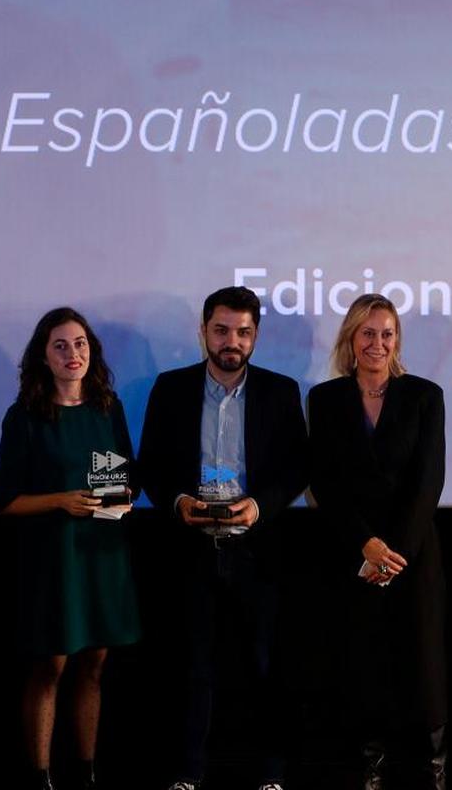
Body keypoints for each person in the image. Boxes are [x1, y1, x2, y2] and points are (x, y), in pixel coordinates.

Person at [139, 286, 308, 790]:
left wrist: (260, 505)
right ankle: (187, 773)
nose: (231, 341)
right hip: (191, 547)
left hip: (257, 550)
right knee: (192, 666)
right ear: (204, 332)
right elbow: (151, 463)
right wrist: (176, 503)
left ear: (255, 336)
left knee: (265, 665)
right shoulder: (170, 388)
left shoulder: (280, 391)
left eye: (242, 332)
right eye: (221, 330)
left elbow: (298, 466)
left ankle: (272, 775)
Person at [0, 307, 141, 790]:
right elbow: (5, 500)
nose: (72, 354)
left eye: (80, 343)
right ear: (43, 355)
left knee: (95, 665)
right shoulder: (26, 416)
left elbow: (119, 475)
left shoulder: (106, 407)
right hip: (54, 561)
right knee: (50, 667)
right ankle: (40, 776)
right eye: (60, 345)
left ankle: (87, 770)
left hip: (102, 554)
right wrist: (61, 501)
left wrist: (125, 498)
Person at [306, 294, 448, 790]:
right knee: (364, 657)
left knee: (421, 656)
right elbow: (322, 481)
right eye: (367, 333)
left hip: (412, 552)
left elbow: (429, 480)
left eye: (387, 333)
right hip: (353, 550)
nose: (378, 343)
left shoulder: (425, 395)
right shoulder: (324, 400)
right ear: (351, 338)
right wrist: (365, 545)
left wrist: (395, 556)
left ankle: (432, 761)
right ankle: (372, 759)